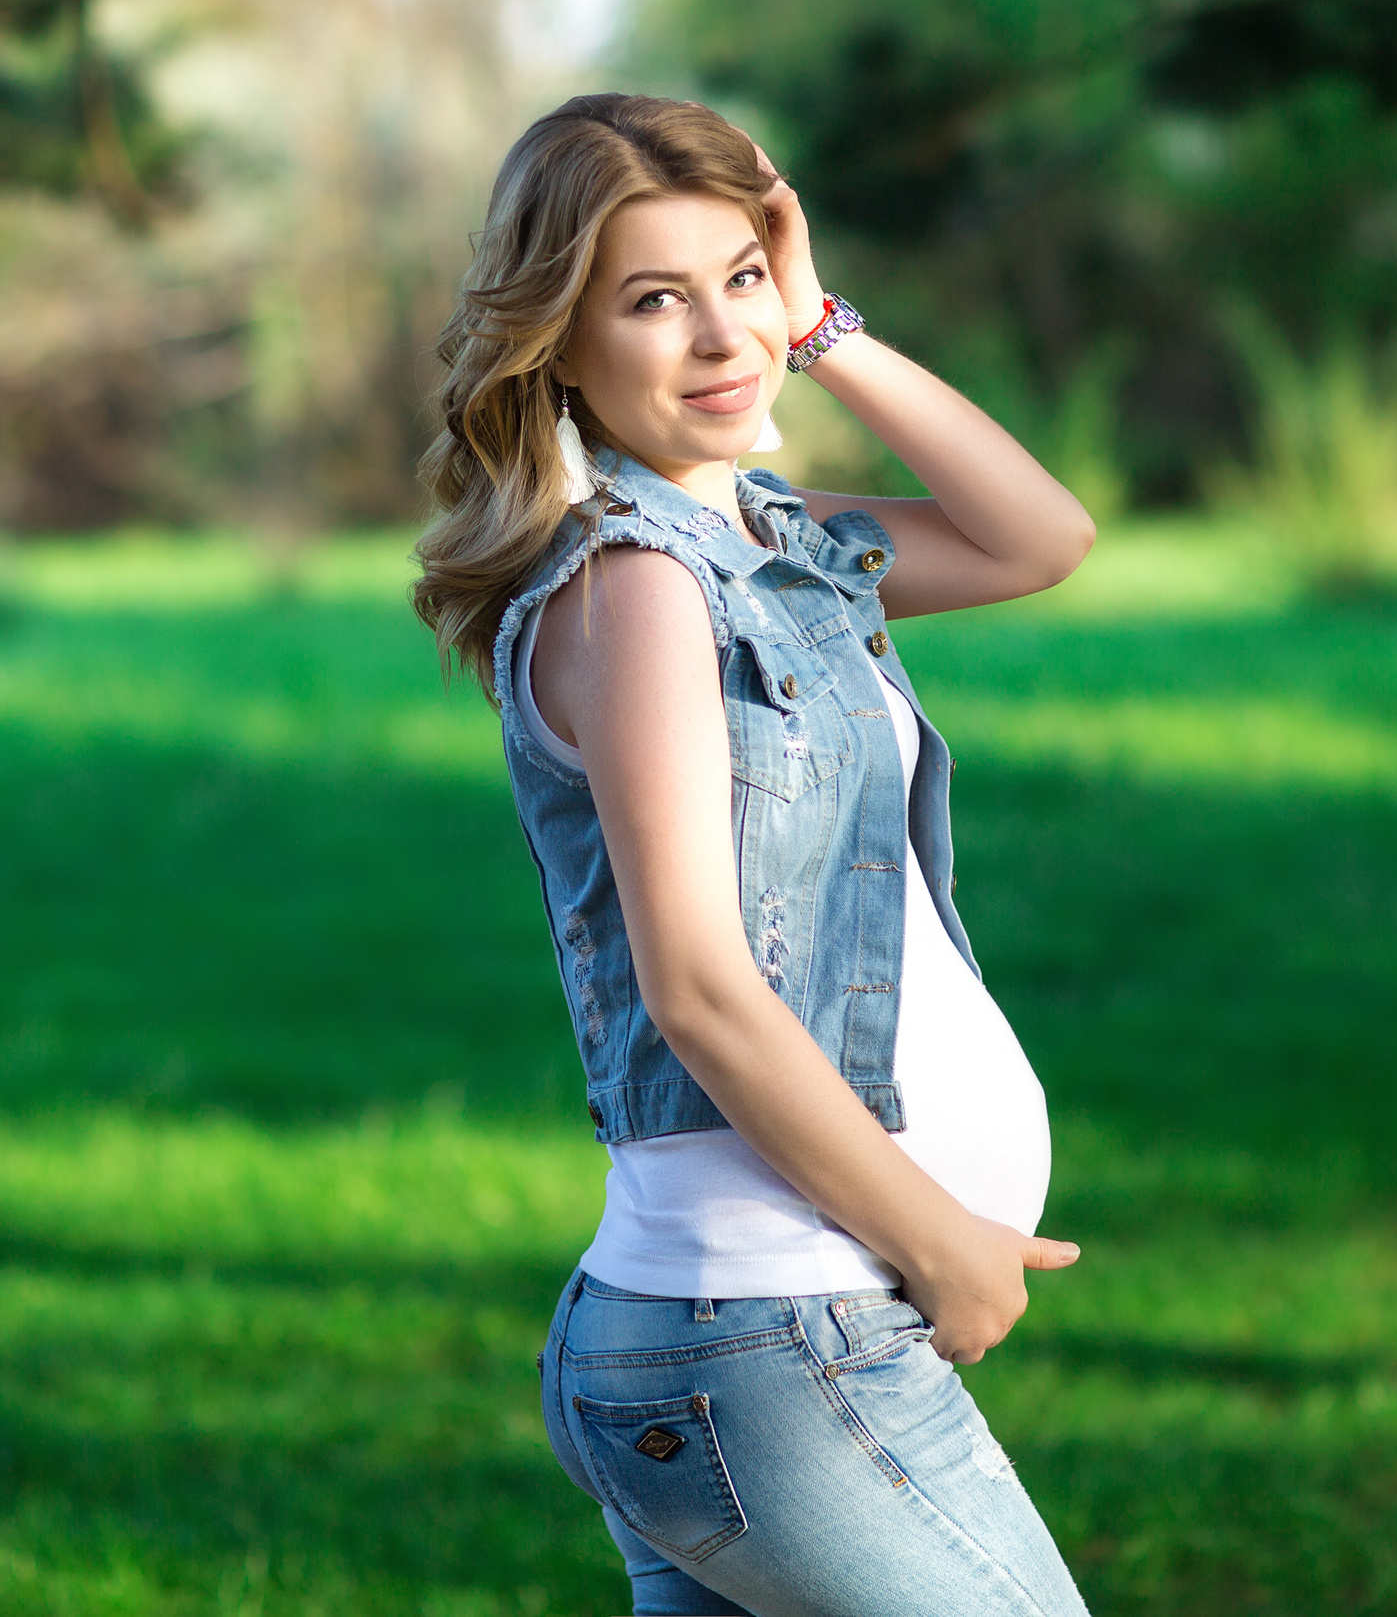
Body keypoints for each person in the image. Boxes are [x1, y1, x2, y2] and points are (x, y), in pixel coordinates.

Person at [411, 93, 1097, 1617]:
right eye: (656, 300)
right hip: (775, 1334)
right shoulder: (636, 586)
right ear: (560, 342)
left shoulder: (778, 546)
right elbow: (702, 990)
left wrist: (822, 320)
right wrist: (945, 1244)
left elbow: (1037, 537)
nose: (722, 339)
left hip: (749, 1341)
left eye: (738, 279)